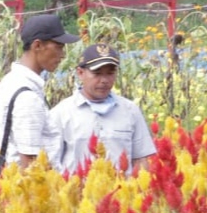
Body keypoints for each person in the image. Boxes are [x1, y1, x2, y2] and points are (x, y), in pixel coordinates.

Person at [49, 43, 156, 175]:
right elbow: (51, 163)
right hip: (77, 192)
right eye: (97, 73)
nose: (104, 80)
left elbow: (141, 159)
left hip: (122, 191)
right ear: (80, 73)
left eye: (110, 73)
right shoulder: (61, 113)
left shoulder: (130, 110)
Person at [0, 13, 80, 171]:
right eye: (58, 47)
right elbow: (31, 164)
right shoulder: (27, 96)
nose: (63, 55)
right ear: (37, 46)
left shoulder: (10, 80)